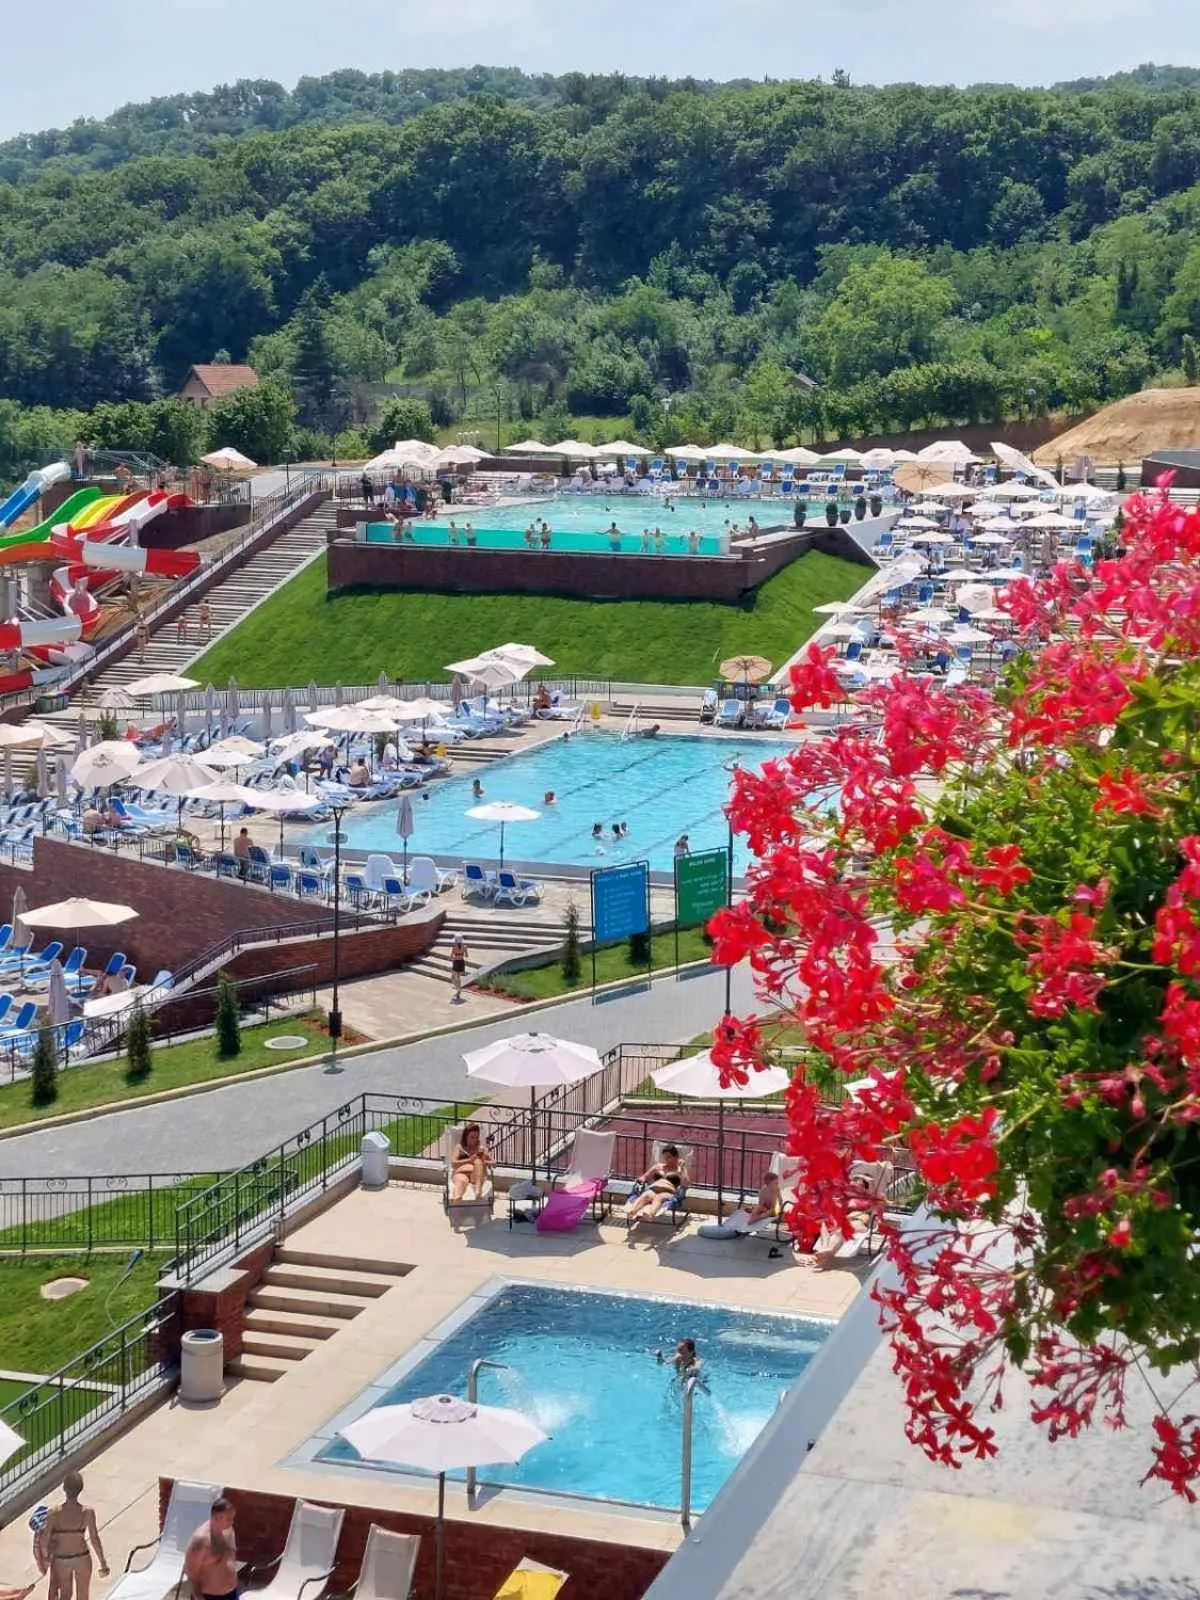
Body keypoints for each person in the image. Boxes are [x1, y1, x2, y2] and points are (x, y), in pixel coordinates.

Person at [45, 1473, 107, 1600]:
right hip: (82, 1557)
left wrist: (46, 1557)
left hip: (62, 1559)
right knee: (83, 1596)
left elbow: (44, 1540)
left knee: (65, 1595)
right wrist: (102, 1562)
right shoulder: (88, 1513)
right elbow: (94, 1539)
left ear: (64, 1488)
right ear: (80, 1489)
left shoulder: (53, 1514)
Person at [184, 1497, 237, 1600]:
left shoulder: (228, 1530)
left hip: (231, 1592)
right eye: (229, 1519)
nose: (232, 1522)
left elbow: (231, 1557)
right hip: (209, 1596)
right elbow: (191, 1573)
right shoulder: (201, 1540)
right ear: (216, 1518)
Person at [625, 1145, 688, 1223]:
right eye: (665, 1157)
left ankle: (650, 1214)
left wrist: (682, 1169)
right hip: (653, 1190)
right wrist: (640, 1181)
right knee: (646, 1195)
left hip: (667, 1192)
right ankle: (631, 1211)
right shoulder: (658, 1167)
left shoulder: (679, 1170)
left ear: (676, 1157)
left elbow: (686, 1184)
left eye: (669, 1157)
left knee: (659, 1197)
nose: (666, 1160)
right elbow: (645, 1177)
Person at [450, 1121, 492, 1195]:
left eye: (476, 1137)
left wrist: (484, 1161)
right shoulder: (459, 1147)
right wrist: (469, 1160)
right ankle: (456, 1201)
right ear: (466, 1136)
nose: (474, 1140)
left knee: (478, 1161)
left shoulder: (481, 1149)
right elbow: (453, 1164)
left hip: (476, 1175)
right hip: (461, 1172)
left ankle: (478, 1187)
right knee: (460, 1183)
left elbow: (493, 1163)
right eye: (472, 1137)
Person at [449, 932, 470, 1002]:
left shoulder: (454, 947)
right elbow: (467, 956)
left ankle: (458, 990)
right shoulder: (464, 947)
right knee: (458, 977)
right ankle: (458, 991)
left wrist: (455, 957)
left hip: (456, 963)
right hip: (461, 962)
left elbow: (451, 957)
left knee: (454, 978)